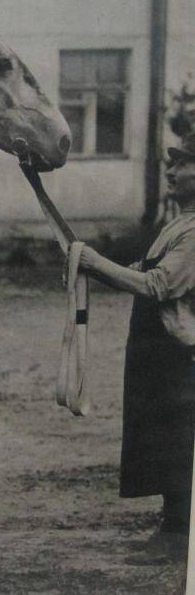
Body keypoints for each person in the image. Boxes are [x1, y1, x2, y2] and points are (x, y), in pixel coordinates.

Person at [79, 131, 195, 564]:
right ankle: (173, 527)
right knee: (160, 436)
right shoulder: (180, 222)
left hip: (179, 351)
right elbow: (147, 270)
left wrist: (94, 263)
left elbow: (159, 284)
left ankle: (179, 535)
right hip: (157, 347)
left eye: (182, 163)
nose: (170, 170)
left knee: (179, 440)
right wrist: (99, 268)